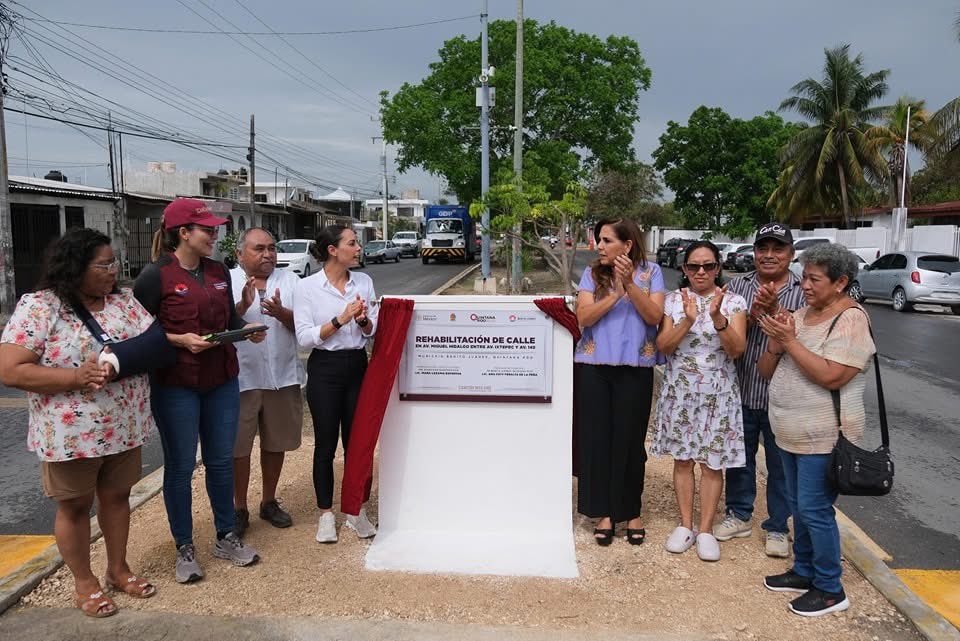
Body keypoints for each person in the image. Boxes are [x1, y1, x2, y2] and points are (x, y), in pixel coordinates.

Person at [0, 228, 157, 617]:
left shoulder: (123, 301)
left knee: (118, 497)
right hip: (72, 433)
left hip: (123, 425)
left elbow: (152, 342)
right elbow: (11, 370)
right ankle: (84, 583)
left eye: (114, 262)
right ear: (75, 267)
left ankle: (118, 569)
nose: (113, 271)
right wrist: (74, 377)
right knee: (74, 506)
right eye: (103, 265)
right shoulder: (41, 307)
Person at [134, 198, 265, 583]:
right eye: (206, 229)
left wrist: (246, 329)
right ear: (183, 233)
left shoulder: (218, 270)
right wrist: (179, 340)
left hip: (221, 379)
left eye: (213, 228)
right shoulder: (154, 276)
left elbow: (228, 318)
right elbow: (138, 332)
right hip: (176, 385)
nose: (214, 234)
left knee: (221, 461)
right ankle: (184, 546)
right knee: (179, 466)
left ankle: (226, 535)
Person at [757, 243, 875, 617]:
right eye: (804, 277)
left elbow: (831, 375)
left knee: (814, 509)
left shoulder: (851, 320)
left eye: (814, 279)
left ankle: (829, 588)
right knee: (798, 506)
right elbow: (764, 370)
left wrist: (789, 342)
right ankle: (804, 570)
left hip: (824, 436)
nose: (804, 285)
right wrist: (777, 343)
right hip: (790, 433)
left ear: (841, 282)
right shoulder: (802, 313)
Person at [652, 241, 748, 561]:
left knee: (711, 463)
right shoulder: (673, 302)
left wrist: (717, 317)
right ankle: (685, 524)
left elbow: (737, 350)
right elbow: (663, 347)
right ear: (684, 270)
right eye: (694, 266)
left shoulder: (734, 302)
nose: (701, 272)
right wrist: (688, 320)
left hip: (719, 395)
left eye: (708, 265)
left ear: (718, 268)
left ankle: (705, 529)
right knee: (682, 460)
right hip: (681, 392)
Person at [716, 222, 806, 558]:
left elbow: (802, 333)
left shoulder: (802, 288)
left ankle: (778, 526)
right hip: (740, 387)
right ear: (754, 252)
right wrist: (753, 314)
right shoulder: (737, 286)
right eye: (762, 249)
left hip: (783, 394)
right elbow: (727, 334)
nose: (769, 256)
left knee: (781, 463)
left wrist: (774, 311)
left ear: (790, 254)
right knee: (739, 458)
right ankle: (739, 514)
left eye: (777, 249)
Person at [574, 218, 665, 546]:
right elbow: (583, 318)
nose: (600, 245)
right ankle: (603, 512)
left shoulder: (651, 273)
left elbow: (654, 317)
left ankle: (631, 510)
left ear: (627, 245)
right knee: (598, 440)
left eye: (607, 240)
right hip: (594, 367)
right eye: (600, 239)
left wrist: (630, 285)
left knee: (629, 441)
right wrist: (614, 292)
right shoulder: (592, 274)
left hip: (636, 368)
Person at [294, 225, 379, 544]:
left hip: (357, 365)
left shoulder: (365, 282)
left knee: (358, 445)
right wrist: (341, 320)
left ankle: (357, 511)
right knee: (325, 445)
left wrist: (364, 322)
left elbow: (373, 330)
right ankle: (326, 514)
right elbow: (304, 338)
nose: (359, 249)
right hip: (325, 369)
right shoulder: (307, 288)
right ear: (332, 250)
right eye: (352, 243)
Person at [230, 228, 305, 535]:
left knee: (276, 443)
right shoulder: (227, 281)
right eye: (259, 248)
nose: (268, 254)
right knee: (238, 448)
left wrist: (282, 313)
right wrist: (240, 309)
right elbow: (218, 325)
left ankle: (269, 501)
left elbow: (305, 325)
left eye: (272, 248)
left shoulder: (291, 282)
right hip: (239, 378)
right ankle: (238, 508)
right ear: (240, 254)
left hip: (282, 375)